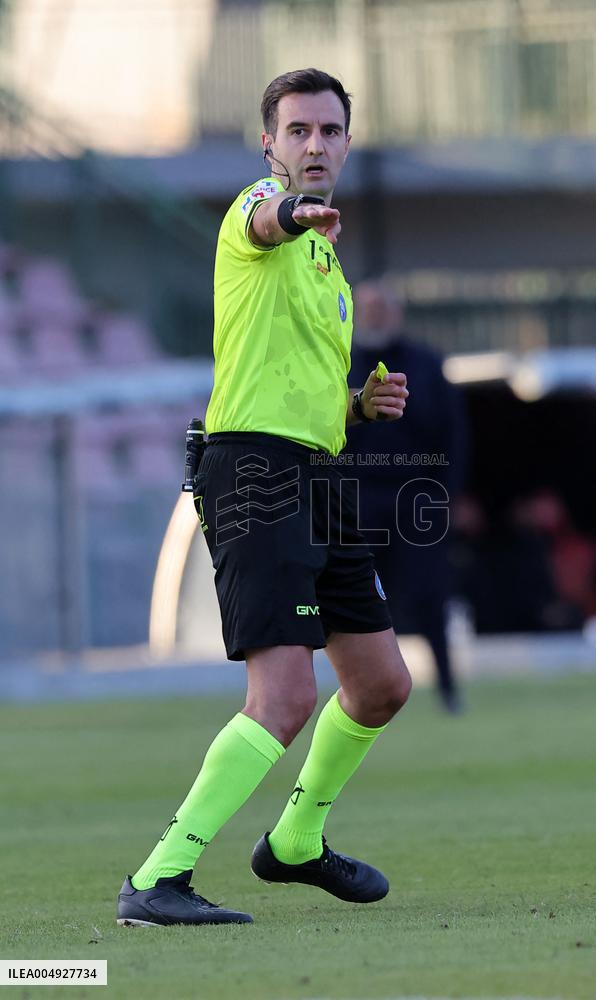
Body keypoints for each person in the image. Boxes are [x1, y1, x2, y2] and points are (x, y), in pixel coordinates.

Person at [117, 68, 412, 927]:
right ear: (269, 144)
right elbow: (263, 219)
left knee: (382, 685)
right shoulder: (263, 214)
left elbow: (292, 377)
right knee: (283, 699)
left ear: (348, 143)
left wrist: (359, 405)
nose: (314, 145)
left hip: (316, 473)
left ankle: (293, 844)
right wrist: (292, 214)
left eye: (329, 131)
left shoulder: (329, 268)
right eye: (298, 131)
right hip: (252, 471)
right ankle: (158, 878)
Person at [346, 279, 468, 712]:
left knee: (429, 596)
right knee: (358, 601)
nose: (375, 316)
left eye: (383, 308)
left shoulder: (426, 365)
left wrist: (444, 498)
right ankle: (364, 692)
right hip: (356, 503)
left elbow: (452, 437)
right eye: (368, 308)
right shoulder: (337, 363)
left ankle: (449, 690)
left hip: (416, 502)